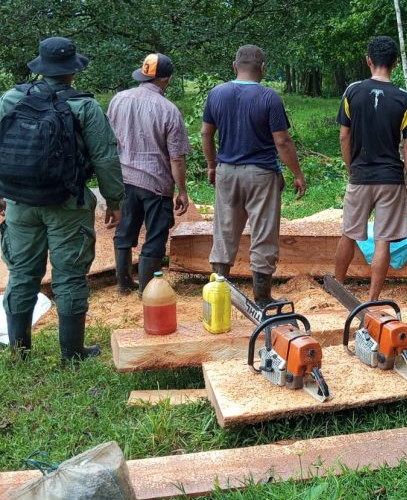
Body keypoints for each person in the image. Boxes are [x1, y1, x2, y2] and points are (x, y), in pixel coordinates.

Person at [0, 37, 124, 360]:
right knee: (69, 275)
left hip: (20, 204)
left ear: (41, 68)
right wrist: (114, 201)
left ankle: (19, 351)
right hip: (68, 205)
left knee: (22, 273)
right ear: (72, 72)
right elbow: (106, 157)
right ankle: (72, 353)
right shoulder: (84, 107)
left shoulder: (12, 98)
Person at [201, 45, 306, 307]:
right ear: (263, 69)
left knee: (224, 230)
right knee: (263, 233)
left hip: (226, 172)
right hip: (261, 174)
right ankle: (262, 297)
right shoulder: (269, 98)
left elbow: (206, 133)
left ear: (234, 66)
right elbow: (281, 140)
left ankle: (218, 294)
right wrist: (297, 173)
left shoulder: (217, 94)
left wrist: (212, 165)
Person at [333, 36, 407, 300]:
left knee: (349, 233)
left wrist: (352, 168)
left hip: (360, 176)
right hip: (391, 180)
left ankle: (337, 288)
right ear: (394, 62)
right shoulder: (404, 99)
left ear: (368, 60)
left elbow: (344, 136)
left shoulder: (352, 91)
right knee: (382, 240)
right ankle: (372, 300)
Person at [107, 53, 191, 295]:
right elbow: (176, 157)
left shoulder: (118, 100)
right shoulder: (168, 110)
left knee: (124, 231)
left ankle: (123, 285)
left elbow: (109, 141)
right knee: (155, 236)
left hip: (123, 179)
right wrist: (182, 191)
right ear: (168, 79)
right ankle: (146, 290)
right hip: (156, 185)